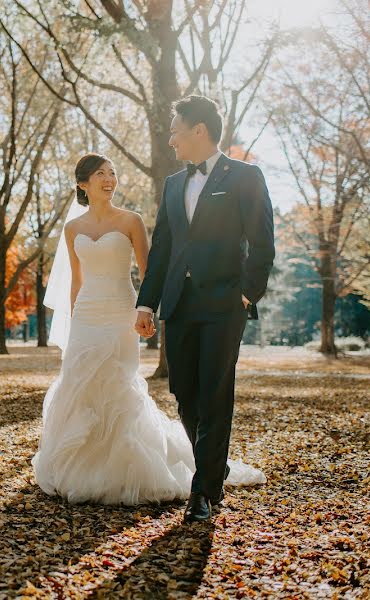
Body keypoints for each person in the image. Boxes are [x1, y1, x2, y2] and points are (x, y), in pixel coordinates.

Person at [34, 144, 267, 519]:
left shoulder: (130, 220)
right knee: (81, 385)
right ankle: (80, 464)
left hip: (120, 312)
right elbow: (76, 279)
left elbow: (151, 267)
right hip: (87, 315)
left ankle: (127, 468)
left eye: (112, 173)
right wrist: (74, 318)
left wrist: (147, 309)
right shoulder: (72, 228)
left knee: (118, 384)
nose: (110, 180)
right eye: (101, 175)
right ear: (83, 184)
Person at [134, 95, 276, 522]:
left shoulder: (246, 177)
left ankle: (204, 492)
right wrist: (147, 301)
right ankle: (215, 463)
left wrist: (248, 294)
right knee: (184, 392)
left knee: (215, 393)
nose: (171, 138)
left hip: (223, 304)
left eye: (176, 129)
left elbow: (263, 241)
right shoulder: (174, 184)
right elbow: (162, 248)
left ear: (199, 131)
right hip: (179, 303)